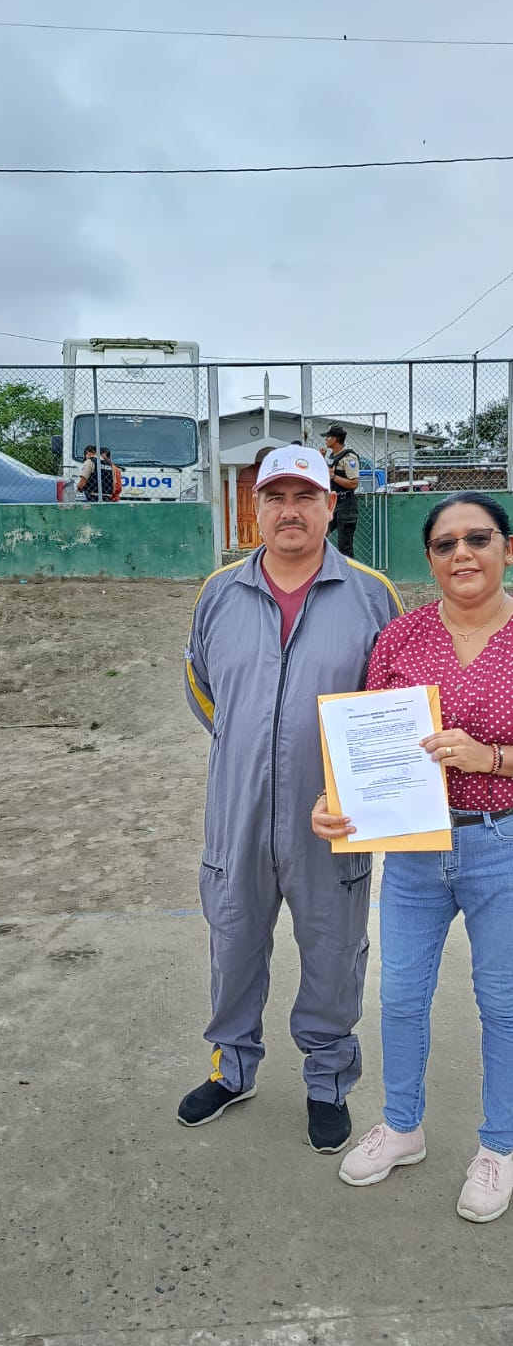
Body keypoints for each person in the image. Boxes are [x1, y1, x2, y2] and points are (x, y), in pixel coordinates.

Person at [179, 446, 402, 1151]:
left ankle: (327, 1081)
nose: (290, 511)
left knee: (334, 952)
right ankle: (232, 1068)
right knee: (233, 940)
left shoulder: (371, 594)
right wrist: (250, 747)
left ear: (331, 507)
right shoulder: (220, 592)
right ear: (257, 509)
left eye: (305, 496)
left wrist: (333, 774)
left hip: (332, 816)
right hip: (238, 812)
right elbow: (202, 687)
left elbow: (391, 705)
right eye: (275, 497)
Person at [312, 491, 513, 1222]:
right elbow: (368, 744)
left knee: (503, 1003)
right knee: (399, 997)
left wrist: (492, 757)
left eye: (478, 538)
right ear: (429, 558)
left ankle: (499, 1146)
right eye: (445, 543)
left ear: (507, 549)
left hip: (501, 842)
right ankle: (402, 1127)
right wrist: (336, 802)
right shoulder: (400, 638)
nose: (462, 553)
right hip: (415, 850)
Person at [321, 423, 360, 556]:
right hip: (333, 504)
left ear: (335, 439)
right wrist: (322, 458)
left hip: (346, 505)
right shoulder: (332, 456)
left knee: (345, 546)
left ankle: (348, 569)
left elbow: (354, 483)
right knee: (319, 535)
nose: (325, 439)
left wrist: (334, 477)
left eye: (328, 437)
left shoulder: (349, 457)